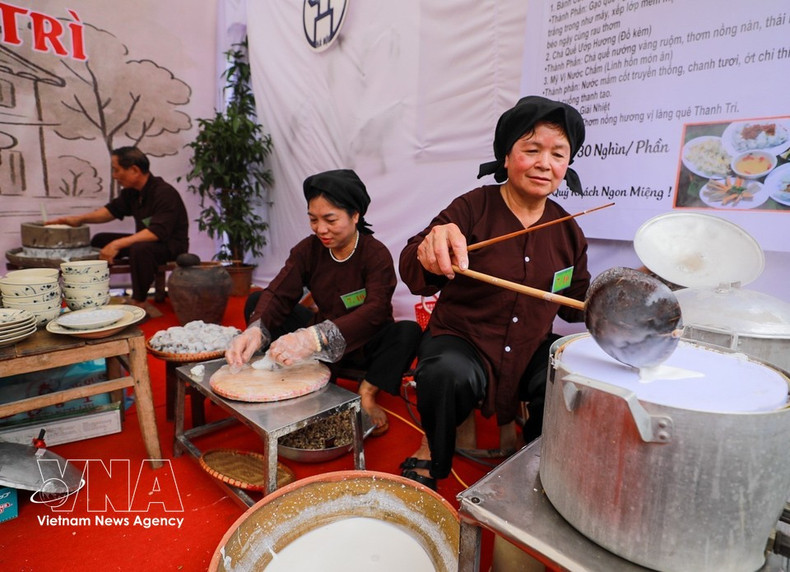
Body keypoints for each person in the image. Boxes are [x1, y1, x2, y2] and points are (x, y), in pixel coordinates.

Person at [397, 96, 591, 490]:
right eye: (531, 150)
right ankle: (434, 451)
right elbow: (415, 272)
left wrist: (623, 292)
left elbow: (577, 305)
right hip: (464, 339)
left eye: (557, 153)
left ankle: (536, 455)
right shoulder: (473, 207)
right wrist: (429, 248)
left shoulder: (568, 230)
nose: (544, 163)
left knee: (567, 375)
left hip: (527, 345)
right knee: (445, 373)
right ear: (506, 156)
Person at [225, 169, 421, 435]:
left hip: (365, 344)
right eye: (313, 219)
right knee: (259, 302)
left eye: (330, 219)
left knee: (407, 332)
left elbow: (375, 311)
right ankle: (291, 371)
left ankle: (366, 392)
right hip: (318, 339)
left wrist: (316, 338)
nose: (321, 229)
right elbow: (279, 292)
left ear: (355, 215)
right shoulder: (308, 250)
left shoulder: (375, 255)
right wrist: (255, 330)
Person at [47, 146, 189, 304]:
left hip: (171, 245)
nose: (114, 176)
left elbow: (157, 232)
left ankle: (139, 301)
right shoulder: (132, 192)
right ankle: (93, 292)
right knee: (101, 240)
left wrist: (117, 244)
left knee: (139, 249)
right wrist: (78, 219)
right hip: (149, 243)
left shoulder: (164, 193)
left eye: (116, 170)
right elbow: (110, 211)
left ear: (134, 170)